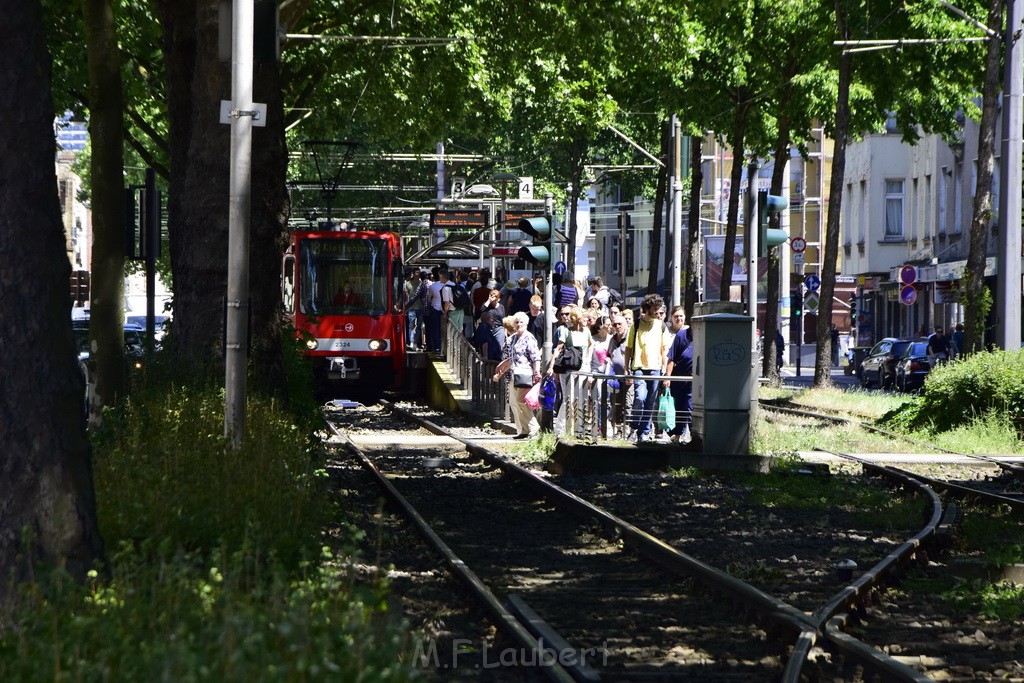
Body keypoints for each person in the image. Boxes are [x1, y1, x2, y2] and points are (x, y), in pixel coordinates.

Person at [623, 294, 671, 444]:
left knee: (650, 402)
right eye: (655, 309)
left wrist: (666, 372)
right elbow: (629, 349)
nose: (658, 313)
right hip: (638, 368)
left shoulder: (661, 326)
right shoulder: (635, 325)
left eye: (659, 309)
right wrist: (626, 369)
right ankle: (634, 426)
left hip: (655, 368)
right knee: (640, 396)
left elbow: (664, 350)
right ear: (646, 309)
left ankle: (643, 432)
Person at [492, 313, 541, 439]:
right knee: (516, 402)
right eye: (517, 322)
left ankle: (534, 428)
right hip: (515, 374)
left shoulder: (529, 337)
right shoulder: (513, 338)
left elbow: (535, 357)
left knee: (521, 401)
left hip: (526, 373)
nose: (519, 324)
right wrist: (501, 371)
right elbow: (511, 358)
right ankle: (524, 430)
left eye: (521, 322)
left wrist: (537, 373)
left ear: (526, 323)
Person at [546, 305, 593, 437]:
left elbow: (590, 345)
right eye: (584, 317)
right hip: (568, 370)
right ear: (577, 318)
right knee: (569, 398)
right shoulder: (566, 331)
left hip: (583, 368)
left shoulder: (586, 331)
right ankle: (561, 430)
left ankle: (578, 429)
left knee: (581, 398)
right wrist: (552, 367)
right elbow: (558, 349)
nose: (586, 319)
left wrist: (588, 360)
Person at [664, 307, 693, 444]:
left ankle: (694, 436)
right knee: (678, 406)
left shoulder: (703, 335)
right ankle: (676, 435)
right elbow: (672, 358)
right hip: (678, 378)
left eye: (681, 316)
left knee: (689, 406)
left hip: (694, 380)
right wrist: (668, 377)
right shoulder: (681, 335)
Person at [403, 270, 428, 349]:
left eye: (419, 272)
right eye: (416, 272)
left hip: (420, 307)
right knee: (411, 325)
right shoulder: (408, 284)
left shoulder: (422, 283)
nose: (418, 274)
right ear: (412, 274)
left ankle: (416, 342)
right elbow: (407, 297)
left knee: (419, 326)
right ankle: (411, 342)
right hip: (412, 308)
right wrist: (406, 307)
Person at [425, 270, 447, 352]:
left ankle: (437, 347)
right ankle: (445, 348)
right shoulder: (450, 284)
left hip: (435, 308)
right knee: (445, 329)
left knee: (435, 329)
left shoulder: (433, 286)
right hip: (446, 310)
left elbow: (429, 299)